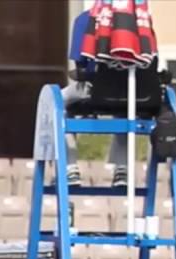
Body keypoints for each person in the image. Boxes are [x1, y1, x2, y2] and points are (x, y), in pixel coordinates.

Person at [62, 7, 129, 187]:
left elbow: (80, 64)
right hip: (131, 92)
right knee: (124, 110)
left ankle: (70, 168)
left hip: (94, 89)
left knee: (57, 101)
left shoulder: (86, 18)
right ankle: (122, 169)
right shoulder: (138, 20)